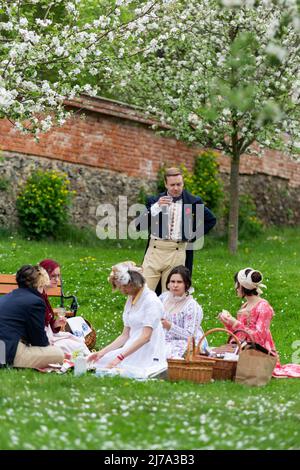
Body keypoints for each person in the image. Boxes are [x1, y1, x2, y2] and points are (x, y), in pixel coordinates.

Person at [136, 167, 216, 293]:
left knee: (171, 297)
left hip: (177, 252)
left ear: (183, 183)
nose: (176, 188)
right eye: (172, 185)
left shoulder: (192, 201)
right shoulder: (154, 201)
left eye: (179, 184)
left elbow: (211, 220)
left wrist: (192, 236)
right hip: (155, 251)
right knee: (143, 292)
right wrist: (156, 207)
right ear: (165, 184)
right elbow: (139, 226)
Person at [218, 267, 300, 378]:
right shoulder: (245, 306)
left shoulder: (263, 307)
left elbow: (259, 338)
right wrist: (228, 322)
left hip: (260, 355)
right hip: (243, 350)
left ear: (242, 286)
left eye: (236, 284)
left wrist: (235, 323)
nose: (235, 288)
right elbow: (240, 335)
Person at [88, 261, 167, 375]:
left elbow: (146, 337)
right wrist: (102, 352)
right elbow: (125, 335)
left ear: (134, 283)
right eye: (119, 287)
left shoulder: (151, 301)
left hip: (148, 349)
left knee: (122, 370)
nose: (122, 290)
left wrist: (119, 357)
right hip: (131, 347)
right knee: (98, 362)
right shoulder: (131, 299)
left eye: (124, 286)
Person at [0, 265, 64, 368]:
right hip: (7, 354)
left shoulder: (6, 297)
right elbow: (39, 341)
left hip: (4, 347)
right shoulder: (36, 302)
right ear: (39, 284)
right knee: (59, 353)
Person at [39, 259, 90, 355]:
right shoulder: (37, 297)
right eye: (53, 276)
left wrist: (56, 324)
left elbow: (48, 324)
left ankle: (89, 359)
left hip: (48, 336)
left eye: (58, 276)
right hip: (42, 342)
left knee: (77, 341)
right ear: (43, 275)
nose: (57, 279)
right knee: (75, 345)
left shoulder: (43, 294)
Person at [159, 265, 208, 359]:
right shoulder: (163, 298)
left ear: (186, 284)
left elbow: (190, 335)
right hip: (164, 338)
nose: (175, 285)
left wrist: (169, 326)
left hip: (186, 342)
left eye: (179, 282)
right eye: (172, 281)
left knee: (174, 351)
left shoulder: (191, 306)